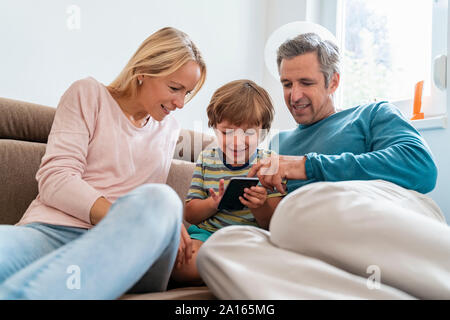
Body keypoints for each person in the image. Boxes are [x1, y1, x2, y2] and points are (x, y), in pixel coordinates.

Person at [196, 33, 450, 299]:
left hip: (381, 210)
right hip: (311, 239)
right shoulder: (277, 144)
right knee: (220, 247)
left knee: (296, 209)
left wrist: (307, 166)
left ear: (334, 81)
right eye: (286, 84)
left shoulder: (371, 114)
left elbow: (421, 166)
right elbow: (270, 220)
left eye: (306, 82)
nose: (294, 96)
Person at [0, 27, 206, 299]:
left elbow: (147, 202)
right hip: (52, 233)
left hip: (128, 253)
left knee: (163, 199)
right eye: (174, 88)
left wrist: (161, 222)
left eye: (187, 93)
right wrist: (123, 218)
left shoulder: (168, 129)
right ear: (143, 71)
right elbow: (56, 179)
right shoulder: (89, 94)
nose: (180, 102)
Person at [170, 80, 285, 285]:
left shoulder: (269, 162)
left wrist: (260, 205)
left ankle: (226, 268)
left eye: (248, 133)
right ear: (214, 128)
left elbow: (272, 223)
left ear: (263, 132)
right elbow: (191, 214)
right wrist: (213, 203)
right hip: (207, 236)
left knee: (277, 261)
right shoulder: (207, 159)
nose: (236, 141)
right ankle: (231, 270)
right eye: (226, 132)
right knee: (182, 267)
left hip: (250, 238)